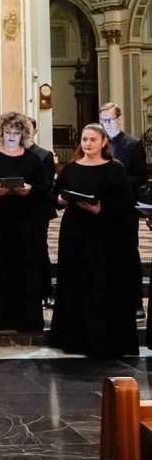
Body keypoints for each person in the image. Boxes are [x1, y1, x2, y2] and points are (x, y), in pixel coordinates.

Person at [49, 124, 138, 358]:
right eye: (84, 139)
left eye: (92, 140)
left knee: (100, 284)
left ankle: (101, 339)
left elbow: (127, 205)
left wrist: (101, 209)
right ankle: (73, 337)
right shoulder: (70, 168)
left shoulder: (115, 170)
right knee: (74, 282)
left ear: (103, 142)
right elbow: (55, 196)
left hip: (104, 236)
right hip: (74, 233)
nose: (87, 143)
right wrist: (60, 199)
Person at [0, 112, 47, 333]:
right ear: (2, 132)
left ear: (23, 134)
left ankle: (25, 318)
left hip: (25, 219)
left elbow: (44, 187)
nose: (12, 136)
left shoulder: (32, 158)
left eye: (16, 133)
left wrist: (30, 190)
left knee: (25, 266)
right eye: (8, 132)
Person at [99, 102, 147, 320]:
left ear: (120, 120)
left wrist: (117, 181)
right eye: (103, 121)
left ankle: (135, 301)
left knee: (128, 254)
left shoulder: (133, 145)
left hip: (125, 207)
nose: (106, 125)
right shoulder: (98, 143)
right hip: (100, 208)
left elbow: (140, 178)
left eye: (110, 120)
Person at [28, 118, 58, 309]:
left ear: (35, 131)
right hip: (17, 209)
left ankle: (46, 290)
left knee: (39, 249)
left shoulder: (44, 155)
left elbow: (48, 184)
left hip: (38, 209)